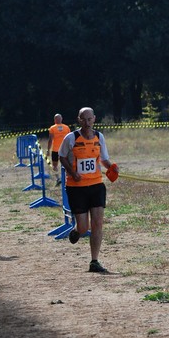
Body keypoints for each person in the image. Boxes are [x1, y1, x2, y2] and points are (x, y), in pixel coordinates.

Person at [59, 107, 118, 273]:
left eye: (89, 119)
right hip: (76, 188)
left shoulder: (99, 137)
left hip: (96, 185)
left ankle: (94, 261)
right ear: (79, 120)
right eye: (83, 119)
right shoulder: (71, 138)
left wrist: (112, 167)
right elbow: (61, 156)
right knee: (84, 228)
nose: (87, 122)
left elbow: (104, 160)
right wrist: (72, 172)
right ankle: (78, 230)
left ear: (94, 119)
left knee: (98, 223)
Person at [46, 113, 70, 185]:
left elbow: (50, 139)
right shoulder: (66, 128)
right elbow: (69, 139)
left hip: (56, 150)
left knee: (55, 166)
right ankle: (66, 179)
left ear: (54, 120)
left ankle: (58, 178)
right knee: (66, 165)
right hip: (65, 150)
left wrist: (48, 150)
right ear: (61, 119)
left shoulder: (52, 128)